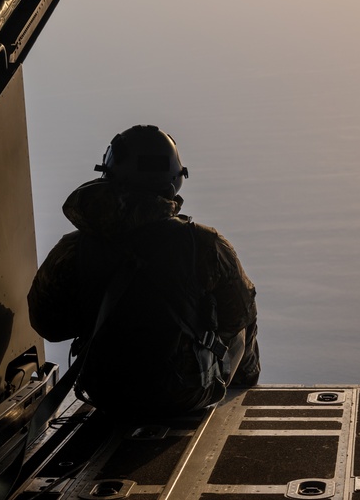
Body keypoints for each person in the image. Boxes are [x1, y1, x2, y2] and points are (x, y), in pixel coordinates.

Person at [28, 125, 260, 418]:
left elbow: (48, 325)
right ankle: (242, 390)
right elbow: (240, 314)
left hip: (104, 391)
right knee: (245, 316)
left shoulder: (74, 248)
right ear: (174, 181)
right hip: (185, 393)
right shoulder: (204, 244)